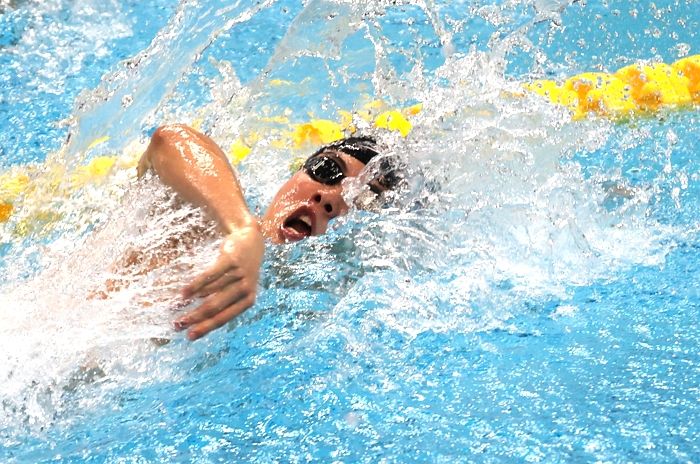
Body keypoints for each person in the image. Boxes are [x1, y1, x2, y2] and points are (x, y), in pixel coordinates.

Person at [136, 124, 399, 341]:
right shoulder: (203, 216)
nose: (328, 197)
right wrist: (241, 228)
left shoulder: (322, 318)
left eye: (361, 200)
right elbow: (169, 139)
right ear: (296, 173)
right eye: (327, 169)